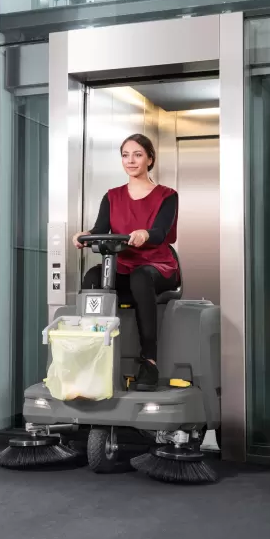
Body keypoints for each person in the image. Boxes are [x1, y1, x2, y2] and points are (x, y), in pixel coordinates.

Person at [72, 133, 179, 392]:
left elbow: (160, 233)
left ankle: (149, 362)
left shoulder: (167, 196)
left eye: (137, 155)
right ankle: (92, 354)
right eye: (125, 155)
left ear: (150, 159)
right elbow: (100, 229)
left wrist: (145, 234)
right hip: (123, 267)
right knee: (93, 278)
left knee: (140, 277)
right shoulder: (112, 196)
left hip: (158, 266)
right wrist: (84, 235)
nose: (130, 160)